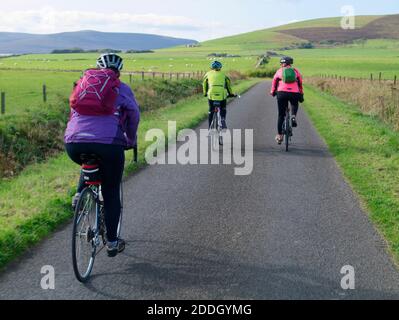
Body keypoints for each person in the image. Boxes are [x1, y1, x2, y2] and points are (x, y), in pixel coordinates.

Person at [64, 53, 140, 257]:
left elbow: (72, 112)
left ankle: (80, 193)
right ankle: (113, 242)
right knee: (111, 190)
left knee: (87, 160)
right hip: (108, 144)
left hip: (74, 143)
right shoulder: (121, 88)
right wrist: (130, 139)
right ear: (118, 72)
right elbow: (133, 114)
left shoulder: (83, 85)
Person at [270, 56, 304, 144]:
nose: (281, 64)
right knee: (294, 103)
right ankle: (293, 116)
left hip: (281, 93)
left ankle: (279, 135)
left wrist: (273, 92)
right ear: (290, 63)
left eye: (281, 63)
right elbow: (300, 82)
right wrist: (301, 93)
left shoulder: (279, 71)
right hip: (294, 93)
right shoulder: (295, 71)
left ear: (282, 64)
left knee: (281, 115)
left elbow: (274, 82)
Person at [203, 61, 236, 129]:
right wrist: (231, 94)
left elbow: (204, 84)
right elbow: (228, 86)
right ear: (220, 67)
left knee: (211, 110)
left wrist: (205, 93)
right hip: (222, 94)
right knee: (223, 108)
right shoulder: (224, 75)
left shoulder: (207, 74)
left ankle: (210, 127)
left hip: (211, 94)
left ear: (211, 68)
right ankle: (223, 119)